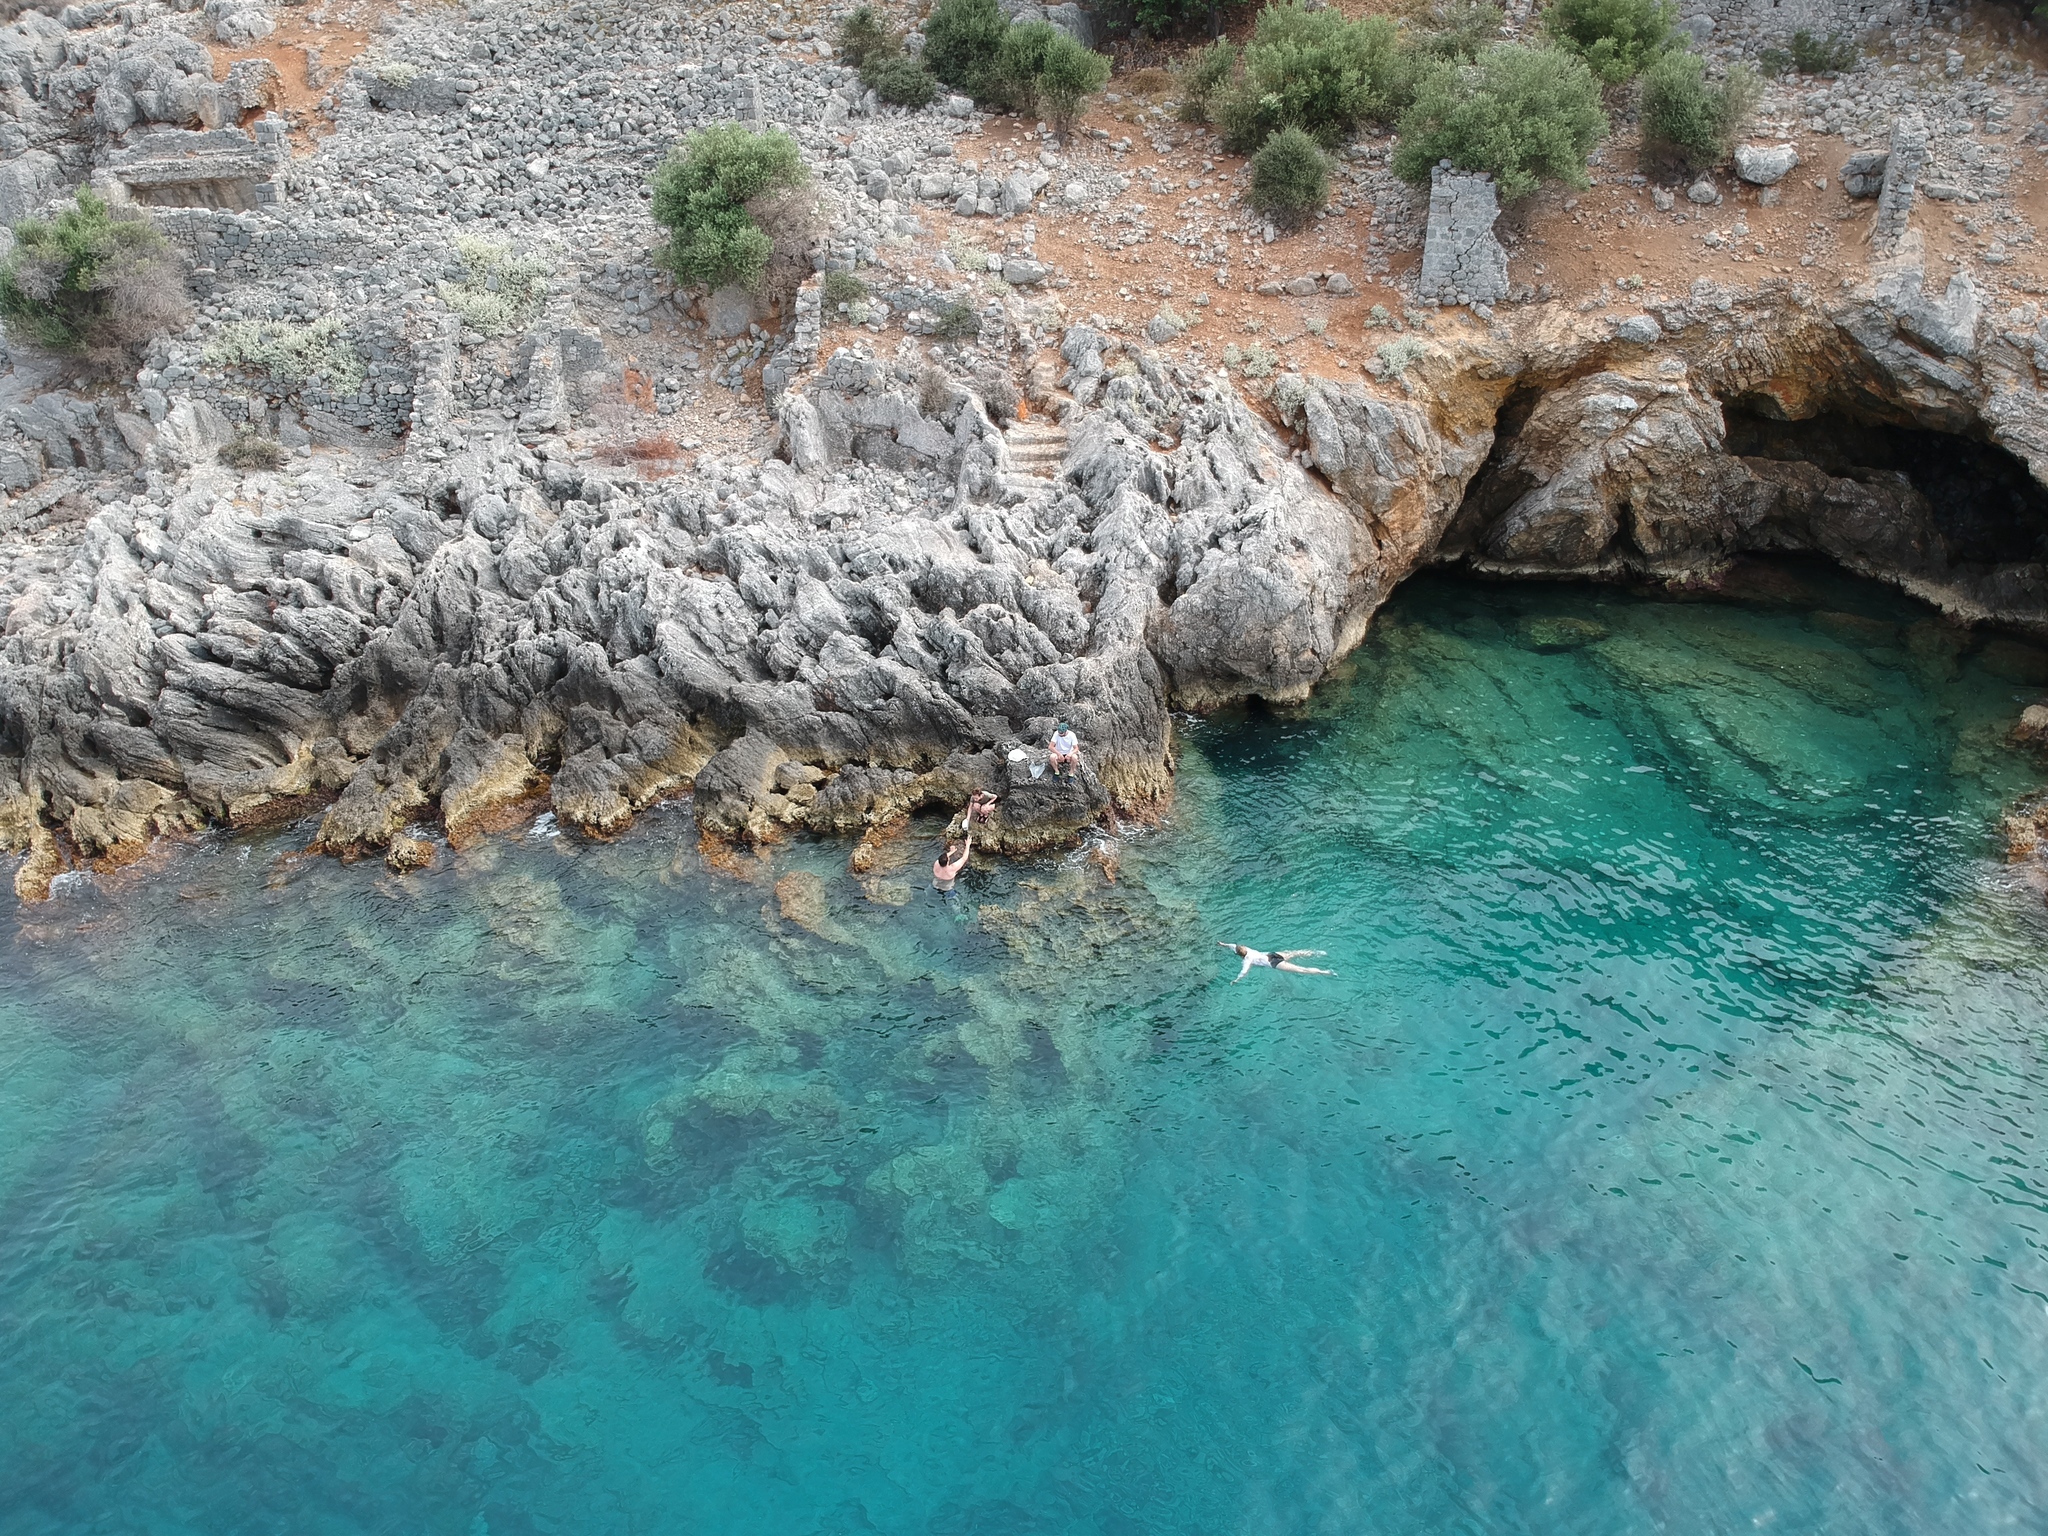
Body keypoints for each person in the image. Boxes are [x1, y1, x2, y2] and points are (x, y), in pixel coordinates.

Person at [1219, 942, 1332, 982]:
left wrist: (1236, 980)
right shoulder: (1247, 949)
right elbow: (1233, 946)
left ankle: (1325, 972)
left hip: (1273, 963)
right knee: (1296, 953)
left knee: (1300, 969)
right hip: (1272, 954)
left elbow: (1244, 972)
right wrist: (1223, 944)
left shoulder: (1247, 960)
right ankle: (1318, 952)